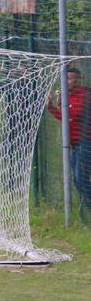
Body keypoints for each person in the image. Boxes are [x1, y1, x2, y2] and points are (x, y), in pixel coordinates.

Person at [47, 67, 91, 223]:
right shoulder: (68, 96)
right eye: (65, 79)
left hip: (86, 142)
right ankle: (86, 209)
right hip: (74, 143)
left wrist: (63, 103)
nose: (67, 82)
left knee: (80, 177)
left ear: (78, 80)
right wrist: (51, 106)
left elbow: (74, 115)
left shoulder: (85, 95)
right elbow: (65, 118)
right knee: (78, 179)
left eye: (70, 79)